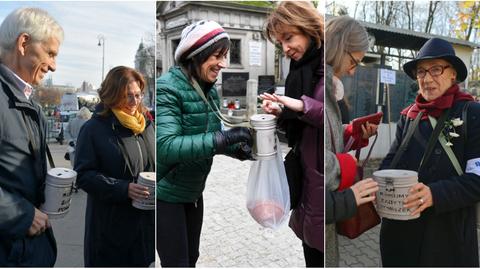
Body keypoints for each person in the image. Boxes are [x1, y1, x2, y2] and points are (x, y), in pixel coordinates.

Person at [156, 20, 252, 267]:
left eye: (225, 56)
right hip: (167, 196)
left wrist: (240, 149)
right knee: (177, 263)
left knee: (191, 258)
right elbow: (165, 146)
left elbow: (212, 134)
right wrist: (223, 140)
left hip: (193, 192)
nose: (223, 63)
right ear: (195, 55)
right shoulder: (167, 87)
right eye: (217, 56)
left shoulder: (208, 89)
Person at [378, 37, 480, 267]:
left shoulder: (472, 113)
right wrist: (380, 185)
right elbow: (392, 160)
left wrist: (434, 194)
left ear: (453, 73)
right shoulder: (409, 115)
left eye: (436, 69)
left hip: (447, 236)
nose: (427, 78)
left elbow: (477, 180)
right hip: (400, 231)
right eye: (421, 71)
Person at [260, 1, 323, 267]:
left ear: (308, 28)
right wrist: (280, 112)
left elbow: (328, 114)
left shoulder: (324, 64)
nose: (286, 48)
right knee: (311, 251)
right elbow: (301, 123)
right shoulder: (299, 69)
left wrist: (298, 104)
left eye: (289, 38)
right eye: (280, 42)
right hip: (306, 178)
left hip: (320, 178)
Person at [0, 8, 63, 266]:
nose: (53, 66)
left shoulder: (29, 103)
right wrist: (21, 215)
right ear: (23, 43)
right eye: (50, 53)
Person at [75, 66, 155, 267]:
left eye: (138, 95)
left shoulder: (146, 125)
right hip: (109, 232)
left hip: (144, 228)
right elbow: (83, 175)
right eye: (128, 96)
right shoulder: (93, 129)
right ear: (112, 96)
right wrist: (123, 188)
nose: (135, 102)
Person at [324, 16, 379, 267]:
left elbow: (327, 135)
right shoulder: (320, 88)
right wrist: (345, 165)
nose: (353, 70)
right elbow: (314, 154)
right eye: (354, 61)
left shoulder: (329, 87)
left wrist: (351, 134)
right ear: (338, 47)